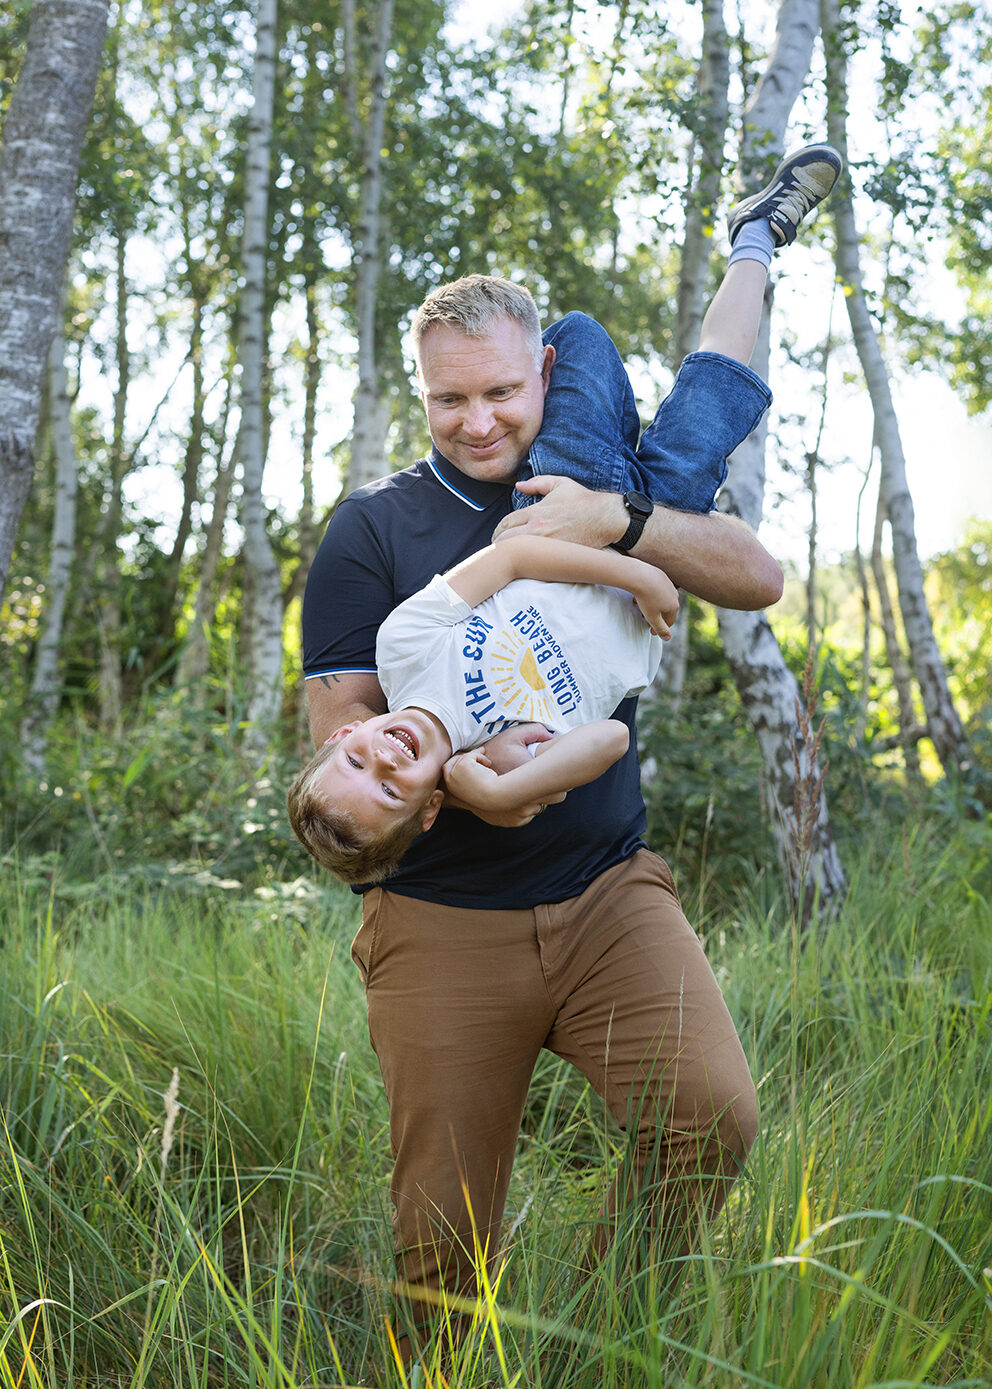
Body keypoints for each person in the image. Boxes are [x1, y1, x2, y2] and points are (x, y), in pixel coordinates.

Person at [300, 144, 842, 1359]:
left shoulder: (581, 466)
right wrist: (468, 783)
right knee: (440, 1249)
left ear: (537, 376)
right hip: (441, 922)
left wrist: (618, 527)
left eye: (499, 392)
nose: (477, 421)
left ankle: (588, 1348)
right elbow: (341, 734)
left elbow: (754, 576)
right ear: (419, 394)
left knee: (708, 1122)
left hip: (606, 896)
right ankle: (448, 1370)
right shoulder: (376, 533)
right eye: (449, 401)